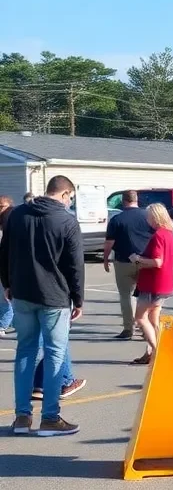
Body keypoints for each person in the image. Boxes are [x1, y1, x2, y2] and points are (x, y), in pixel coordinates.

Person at [0, 175, 84, 436]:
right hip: (54, 296)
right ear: (65, 194)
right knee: (55, 353)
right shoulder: (67, 220)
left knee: (25, 351)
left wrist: (8, 284)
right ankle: (50, 417)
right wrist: (78, 298)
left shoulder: (17, 214)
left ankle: (22, 417)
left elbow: (4, 252)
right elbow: (75, 264)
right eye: (70, 197)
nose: (69, 202)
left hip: (23, 293)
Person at [130, 203, 173, 365]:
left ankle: (157, 349)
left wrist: (138, 260)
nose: (147, 220)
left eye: (149, 216)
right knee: (153, 317)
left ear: (155, 217)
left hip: (153, 283)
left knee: (140, 317)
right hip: (165, 282)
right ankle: (150, 352)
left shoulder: (158, 236)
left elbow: (157, 262)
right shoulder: (169, 234)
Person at [102, 190, 154, 339]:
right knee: (146, 295)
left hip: (124, 261)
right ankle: (147, 328)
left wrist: (105, 259)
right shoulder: (148, 217)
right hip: (146, 261)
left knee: (126, 295)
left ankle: (128, 328)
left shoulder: (117, 219)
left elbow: (109, 242)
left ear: (124, 200)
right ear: (136, 199)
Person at [0, 196, 15, 333]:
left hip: (9, 270)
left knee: (6, 299)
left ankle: (3, 325)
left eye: (1, 206)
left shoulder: (9, 219)